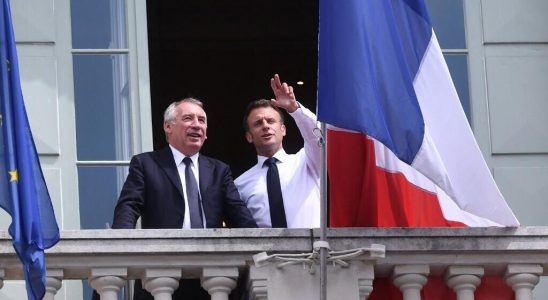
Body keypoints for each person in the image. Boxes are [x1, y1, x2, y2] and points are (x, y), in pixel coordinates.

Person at [108, 98, 257, 300]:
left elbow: (240, 216)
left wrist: (262, 246)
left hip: (212, 281)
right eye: (188, 118)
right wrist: (118, 247)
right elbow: (128, 207)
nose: (197, 124)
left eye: (202, 120)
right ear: (168, 126)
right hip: (159, 275)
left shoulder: (219, 170)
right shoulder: (146, 164)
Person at [235, 74, 320, 228]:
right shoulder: (240, 185)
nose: (265, 126)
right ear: (249, 136)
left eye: (271, 121)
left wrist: (294, 109)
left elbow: (319, 137)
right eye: (258, 123)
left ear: (283, 130)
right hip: (266, 252)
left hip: (313, 251)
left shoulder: (307, 161)